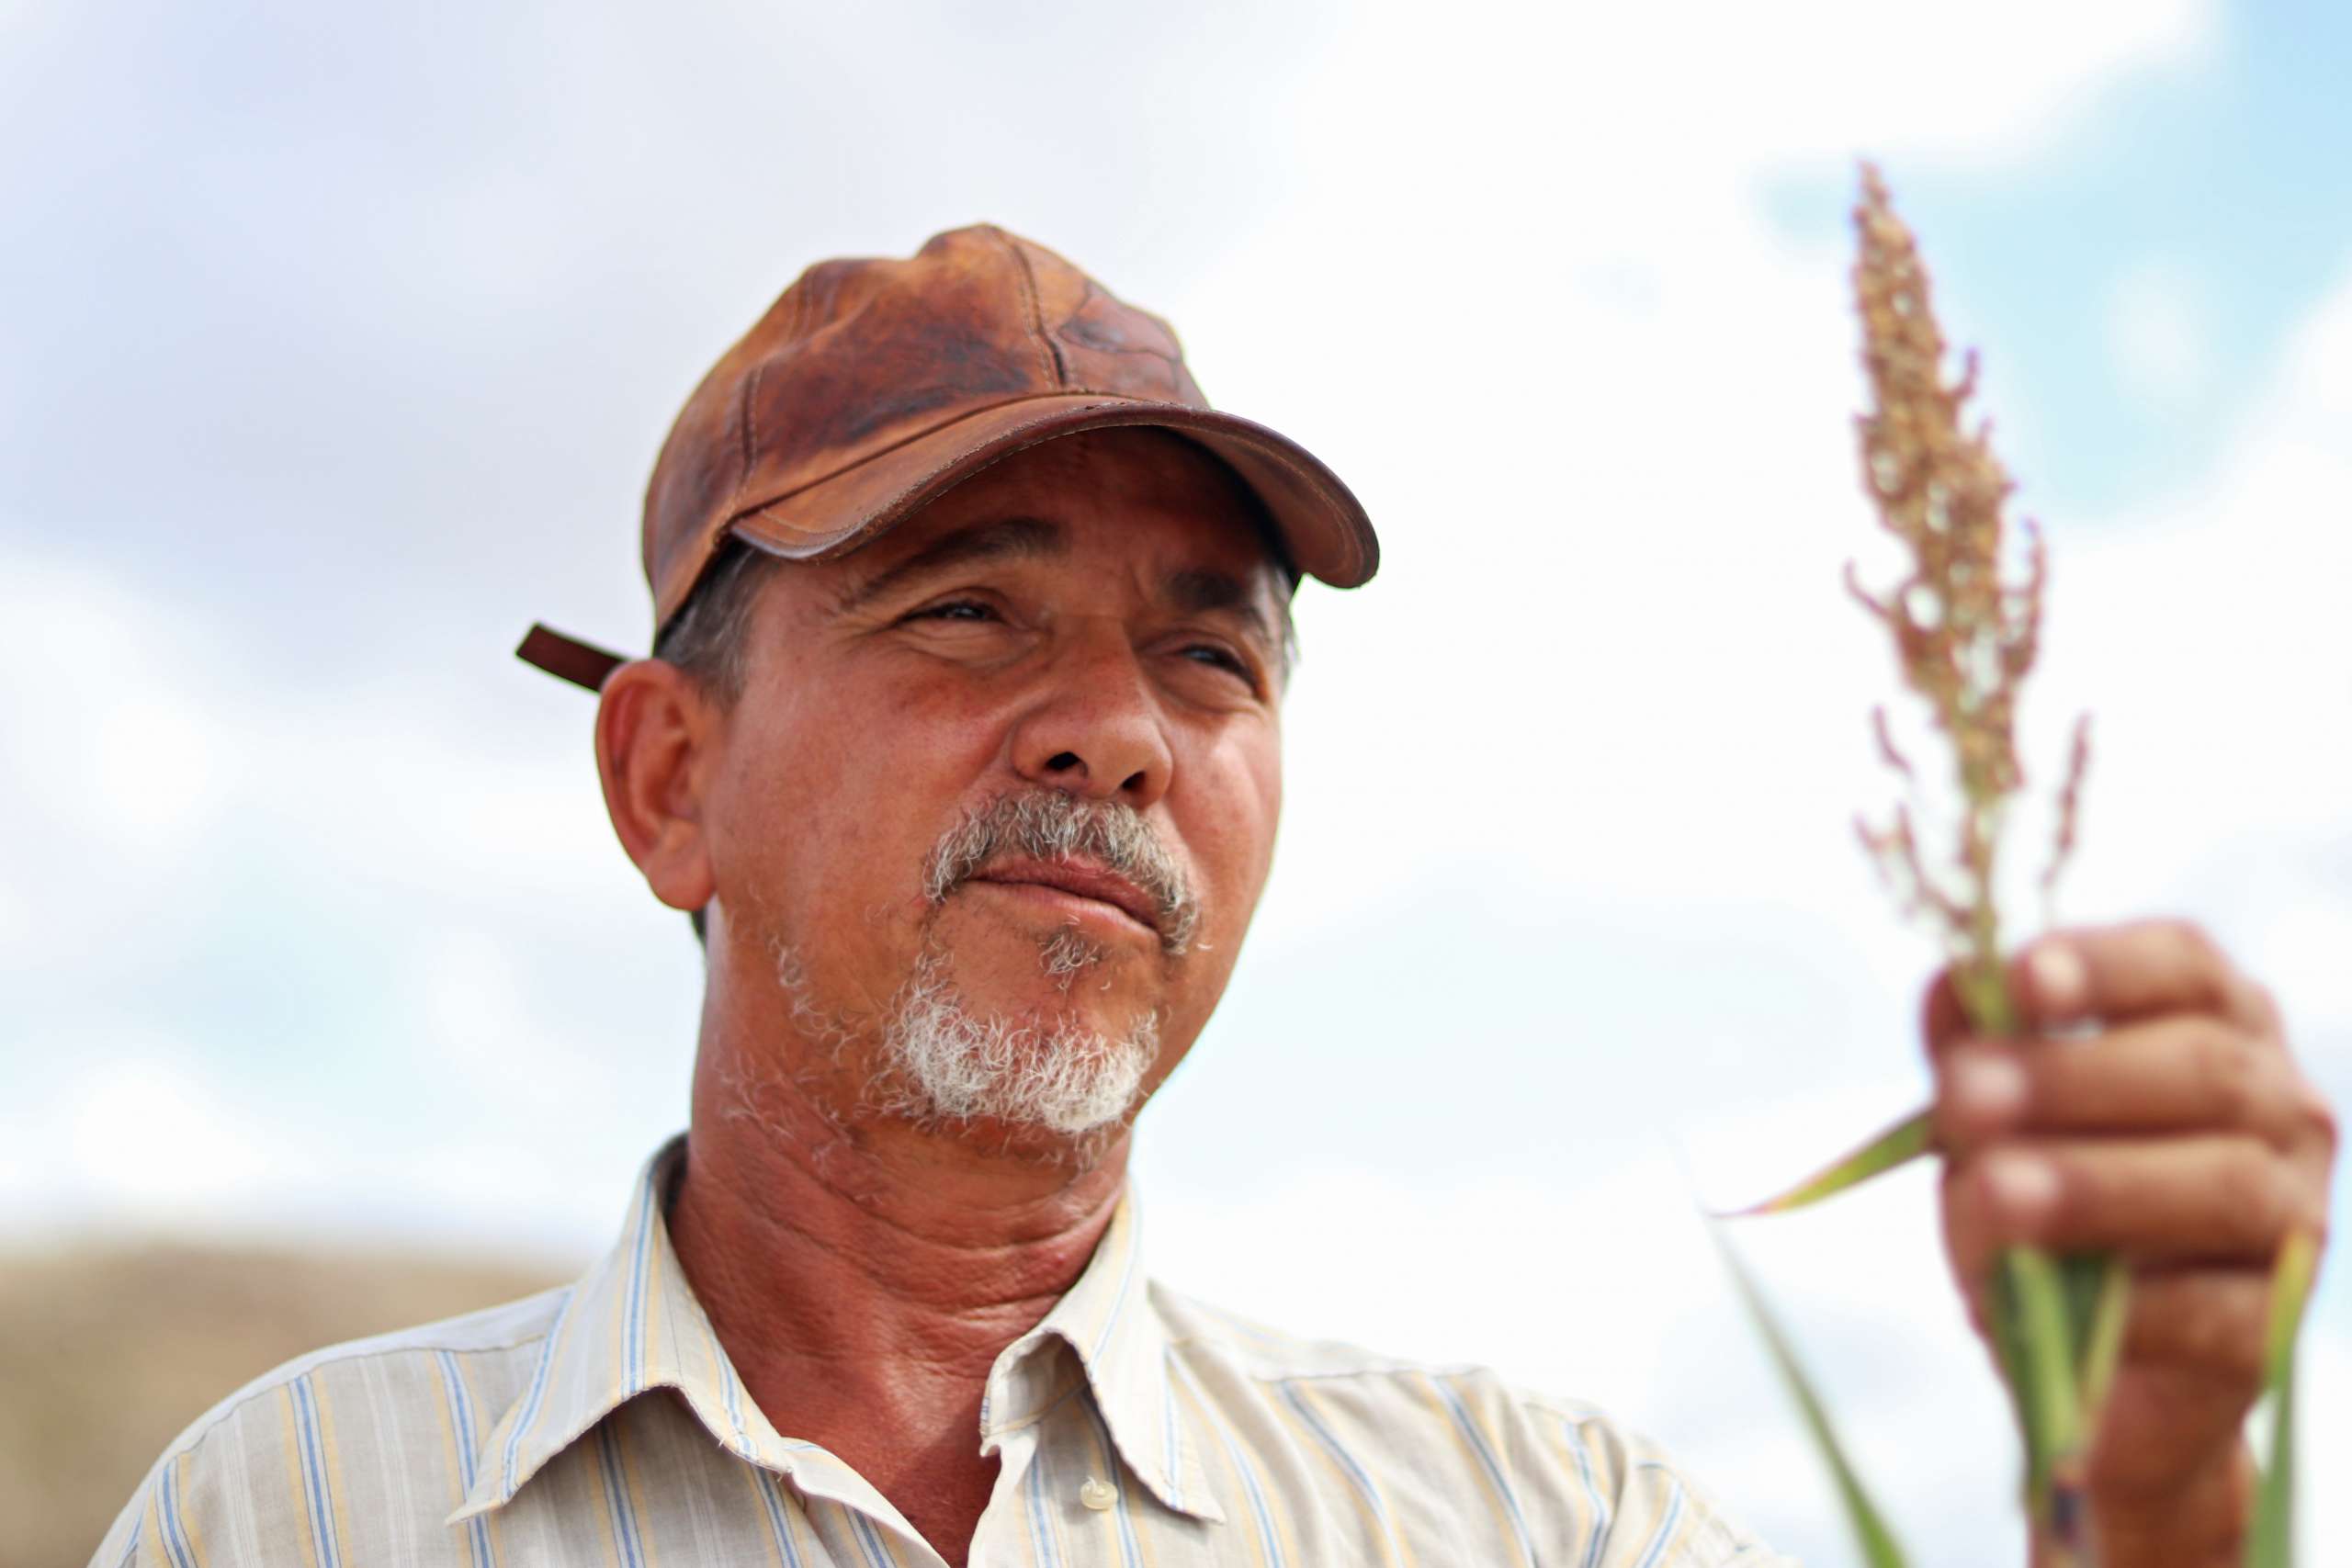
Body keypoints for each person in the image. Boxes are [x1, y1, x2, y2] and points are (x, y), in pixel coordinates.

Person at [93, 227, 2335, 1568]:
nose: (1116, 730)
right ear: (669, 781)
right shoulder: (293, 1510)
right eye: (964, 611)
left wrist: (2152, 1497)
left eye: (1208, 652)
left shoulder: (1525, 1517)